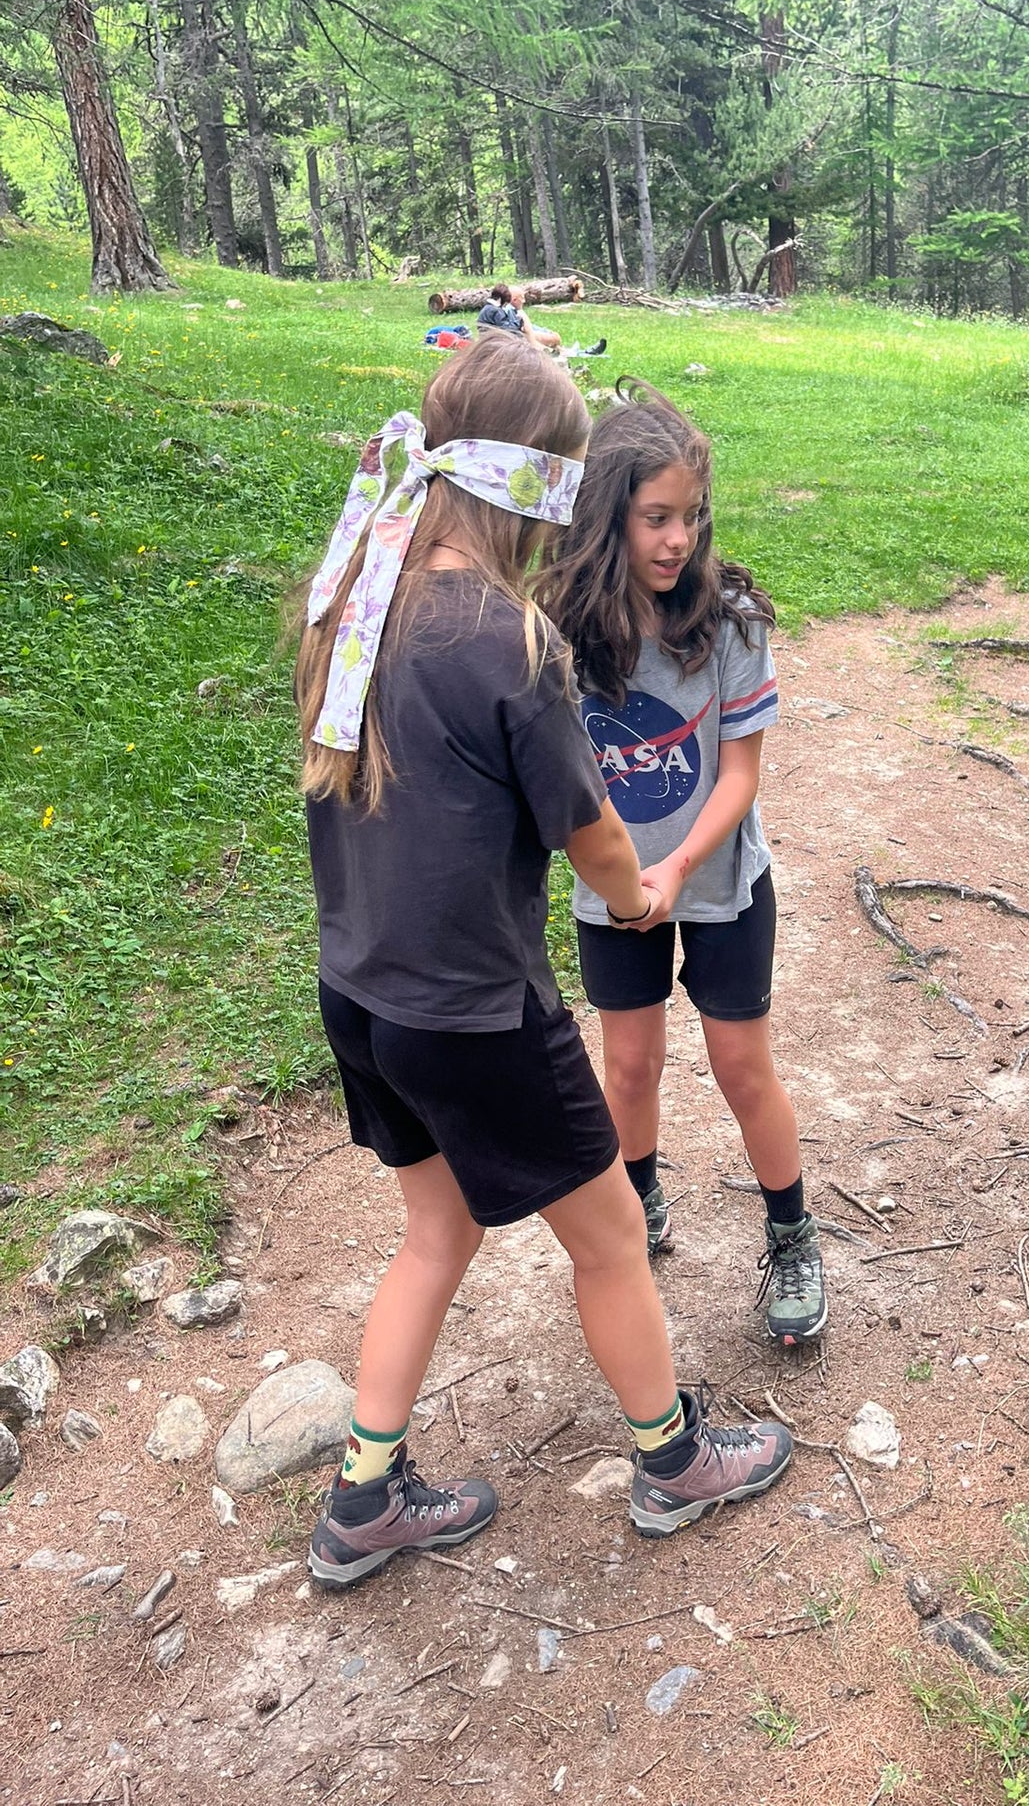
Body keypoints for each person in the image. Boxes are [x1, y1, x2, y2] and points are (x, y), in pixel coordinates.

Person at [293, 333, 791, 1587]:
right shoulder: (506, 641)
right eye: (567, 479)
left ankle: (363, 1493)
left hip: (359, 993)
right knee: (612, 1233)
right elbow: (591, 832)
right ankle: (673, 1461)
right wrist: (635, 898)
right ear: (532, 482)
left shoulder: (366, 591)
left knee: (436, 1232)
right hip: (473, 1011)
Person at [534, 383, 827, 1346]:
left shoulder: (732, 619)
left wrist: (675, 871)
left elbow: (738, 773)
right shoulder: (560, 634)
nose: (676, 539)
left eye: (690, 517)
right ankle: (641, 1204)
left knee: (743, 1066)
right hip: (608, 894)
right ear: (605, 515)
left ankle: (790, 1232)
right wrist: (623, 877)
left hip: (719, 888)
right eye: (655, 517)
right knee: (629, 1064)